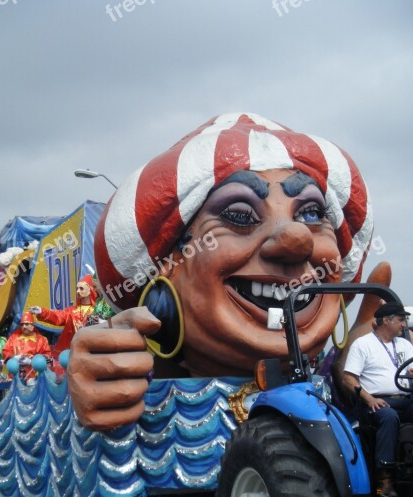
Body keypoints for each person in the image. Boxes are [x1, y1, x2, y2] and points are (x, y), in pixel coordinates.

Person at [67, 112, 373, 431]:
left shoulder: (331, 396)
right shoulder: (145, 389)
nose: (296, 240)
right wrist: (102, 380)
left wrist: (348, 362)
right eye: (239, 215)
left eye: (311, 213)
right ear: (168, 268)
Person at [343, 302, 413, 497]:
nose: (403, 325)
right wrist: (369, 398)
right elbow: (347, 378)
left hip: (404, 398)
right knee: (388, 416)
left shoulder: (405, 345)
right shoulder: (363, 344)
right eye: (400, 320)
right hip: (375, 402)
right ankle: (384, 480)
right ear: (386, 320)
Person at [28, 274, 97, 357]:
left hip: (89, 352)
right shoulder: (71, 311)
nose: (78, 291)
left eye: (81, 288)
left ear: (90, 290)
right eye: (77, 289)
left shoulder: (96, 311)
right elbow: (58, 316)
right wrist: (42, 312)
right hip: (70, 352)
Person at [2, 311, 52, 385]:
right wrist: (16, 358)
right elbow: (6, 351)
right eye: (22, 324)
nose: (24, 326)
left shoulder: (42, 340)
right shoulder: (13, 338)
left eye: (27, 324)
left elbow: (48, 359)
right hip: (14, 377)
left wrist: (31, 361)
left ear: (33, 326)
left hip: (34, 377)